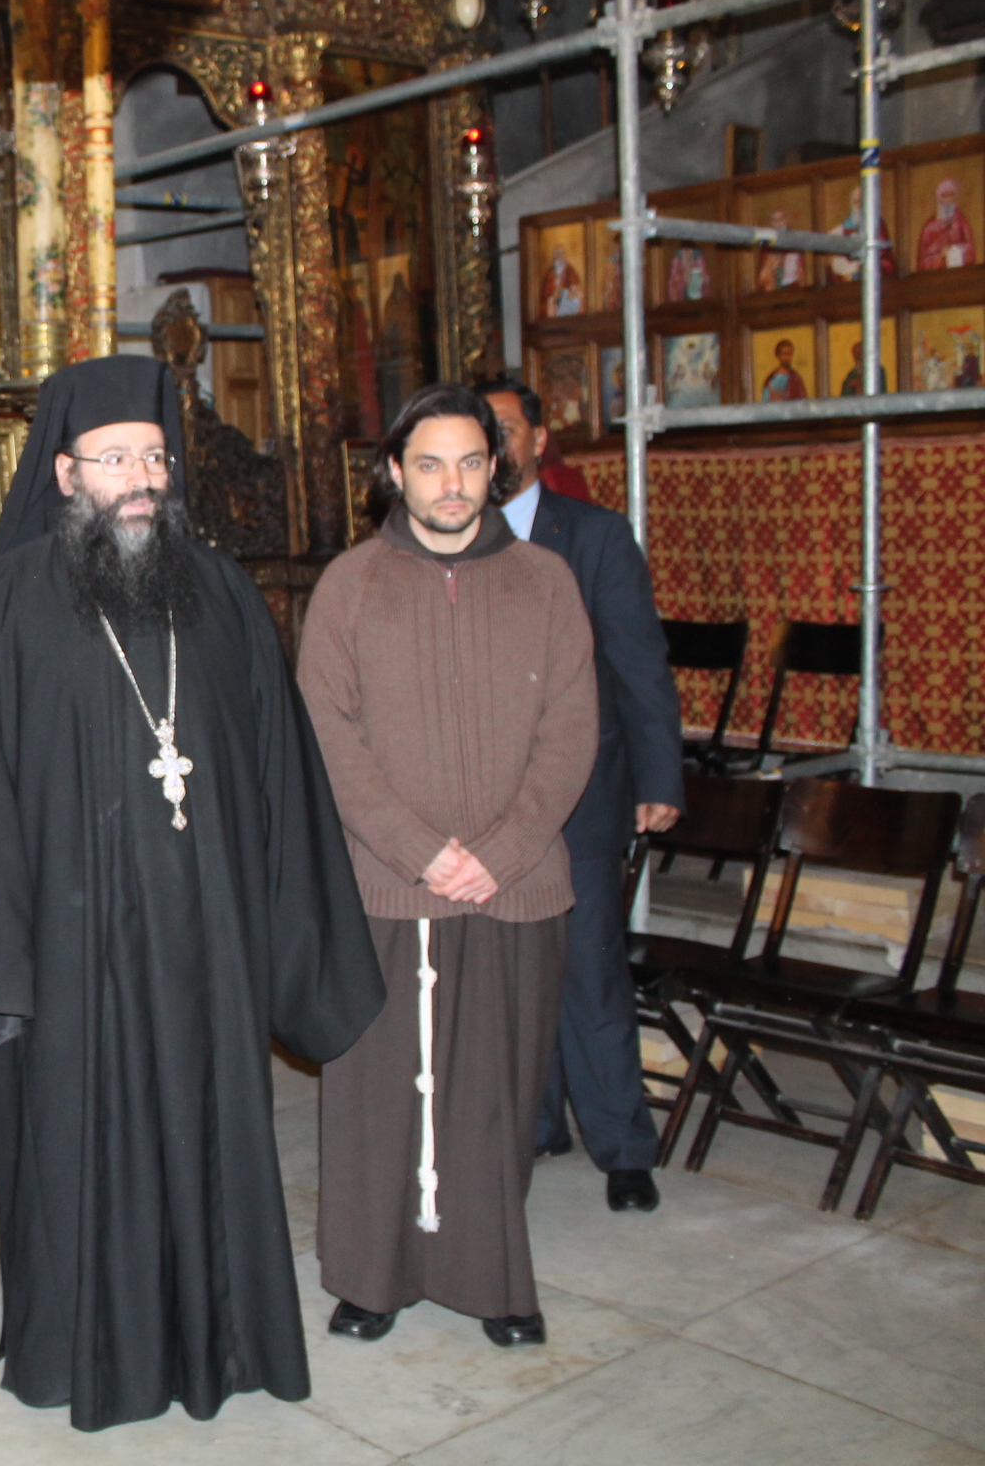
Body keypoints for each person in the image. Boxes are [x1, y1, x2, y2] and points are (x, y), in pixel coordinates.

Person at [0, 355, 384, 1431]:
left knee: (214, 1133)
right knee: (80, 1144)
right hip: (70, 953)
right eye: (115, 459)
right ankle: (80, 1350)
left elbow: (280, 770)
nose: (142, 479)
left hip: (210, 938)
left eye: (155, 457)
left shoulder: (224, 592)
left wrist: (283, 925)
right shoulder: (4, 603)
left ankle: (225, 1340)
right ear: (65, 472)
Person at [298, 383, 596, 1350]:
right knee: (378, 1091)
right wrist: (419, 851)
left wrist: (499, 854)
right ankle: (370, 1279)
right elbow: (327, 735)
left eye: (471, 462)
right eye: (430, 464)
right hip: (387, 886)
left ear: (497, 467)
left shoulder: (546, 582)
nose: (452, 483)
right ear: (396, 471)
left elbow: (571, 734)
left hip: (516, 888)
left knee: (494, 1094)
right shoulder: (350, 585)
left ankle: (493, 1280)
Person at [481, 379, 683, 1214]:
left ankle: (623, 1148)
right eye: (480, 431)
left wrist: (659, 777)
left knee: (590, 972)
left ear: (539, 439)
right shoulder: (455, 536)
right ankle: (534, 1124)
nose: (493, 446)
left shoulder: (593, 537)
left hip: (582, 795)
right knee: (509, 975)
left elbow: (638, 662)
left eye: (505, 429)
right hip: (487, 803)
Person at [916, 177, 978, 270]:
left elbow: (971, 250)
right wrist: (942, 257)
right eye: (945, 196)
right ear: (939, 199)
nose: (948, 200)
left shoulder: (961, 221)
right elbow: (923, 261)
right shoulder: (930, 227)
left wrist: (958, 250)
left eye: (951, 195)